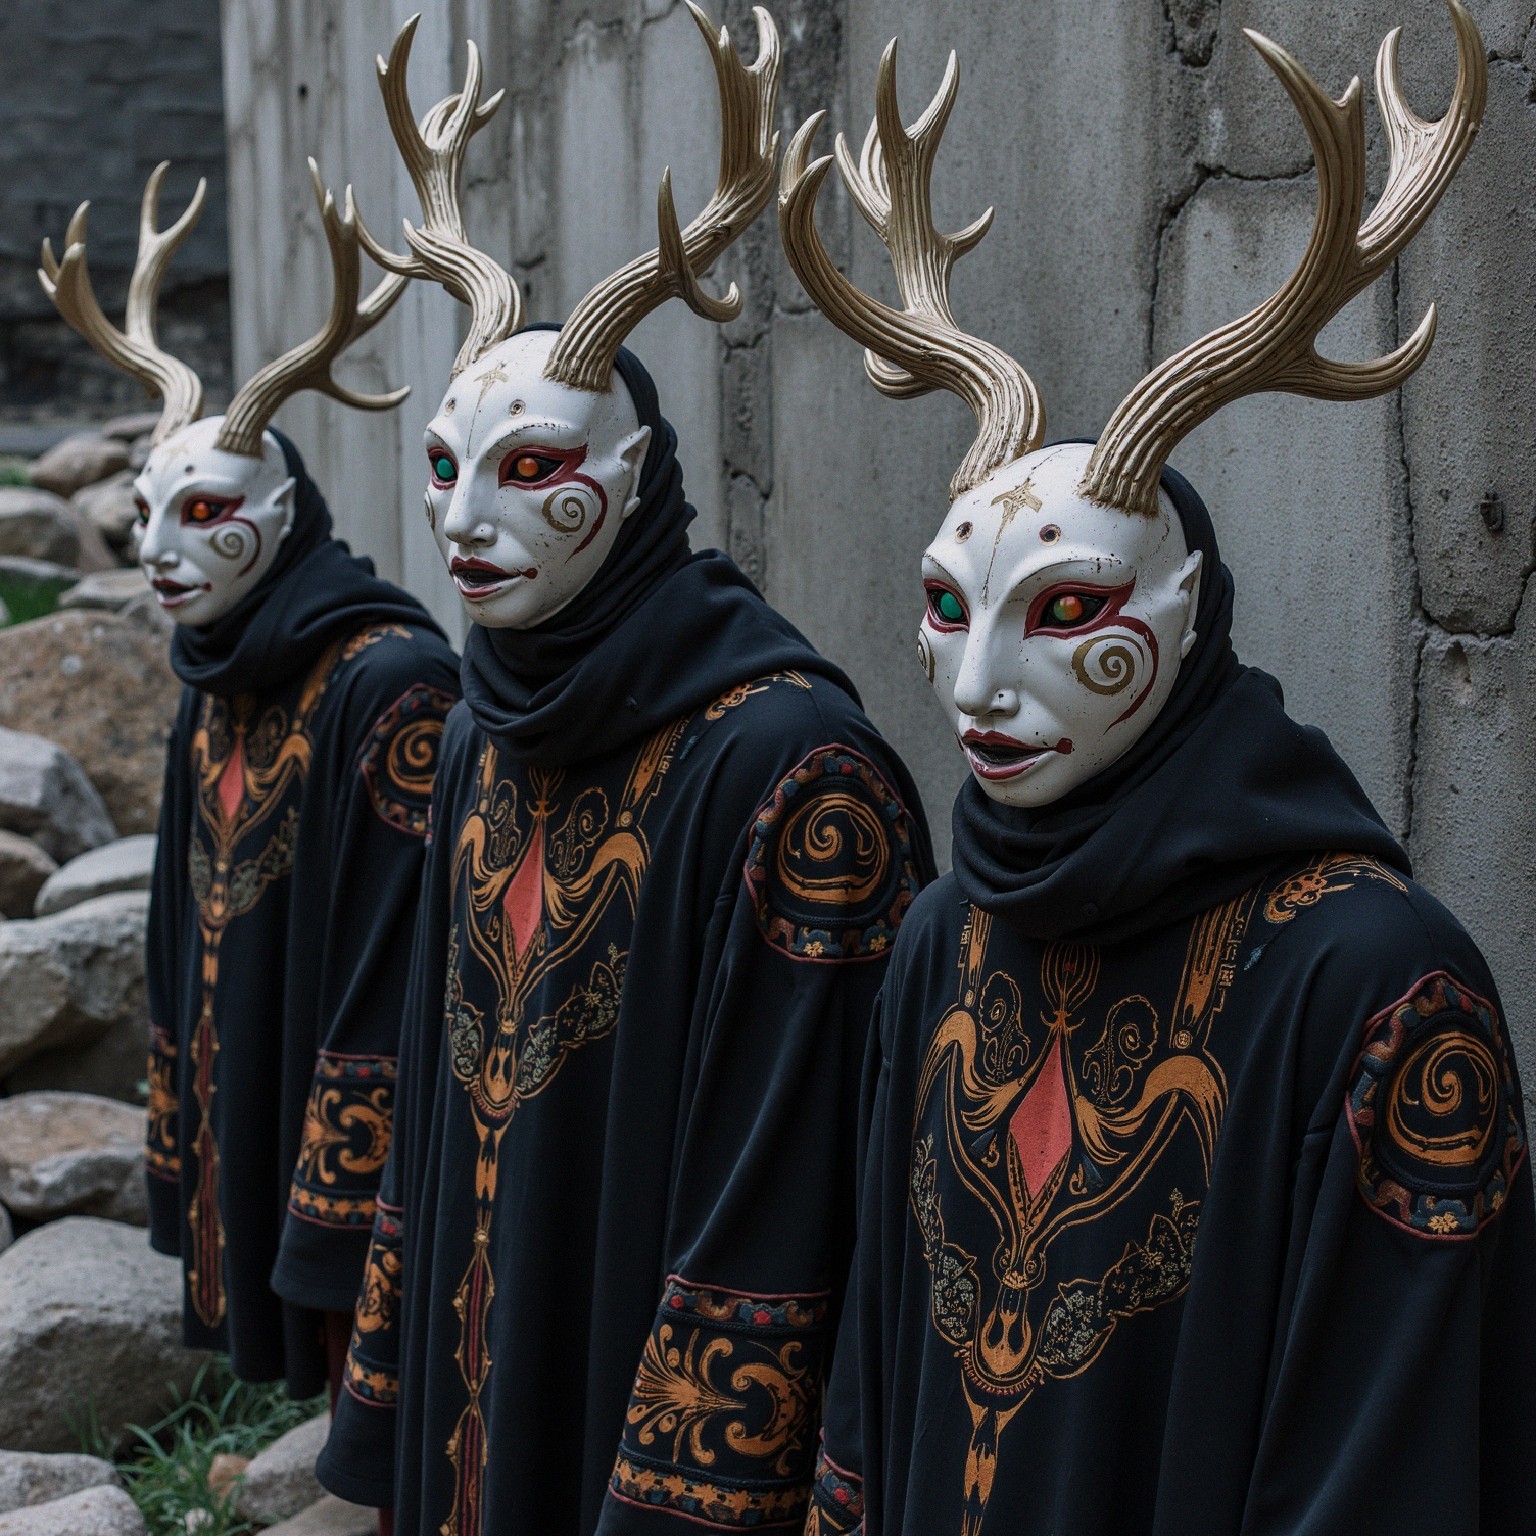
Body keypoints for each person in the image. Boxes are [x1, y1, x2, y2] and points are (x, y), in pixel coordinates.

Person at [778, 7, 1536, 1532]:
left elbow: (1391, 1463)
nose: (977, 687)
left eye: (1064, 616)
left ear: (1184, 622)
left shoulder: (1377, 990)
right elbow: (877, 1364)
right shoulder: (943, 937)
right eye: (949, 608)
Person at [316, 11, 934, 1535]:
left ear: (637, 483)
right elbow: (433, 1086)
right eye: (448, 467)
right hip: (478, 1390)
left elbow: (794, 1201)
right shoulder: (486, 721)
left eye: (533, 471)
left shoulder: (794, 775)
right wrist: (383, 1403)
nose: (467, 521)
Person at [40, 162, 461, 1454]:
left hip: (369, 1143)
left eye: (205, 514)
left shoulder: (388, 679)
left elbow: (400, 965)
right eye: (145, 514)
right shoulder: (217, 668)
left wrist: (339, 1185)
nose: (159, 549)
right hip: (254, 1085)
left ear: (281, 521)